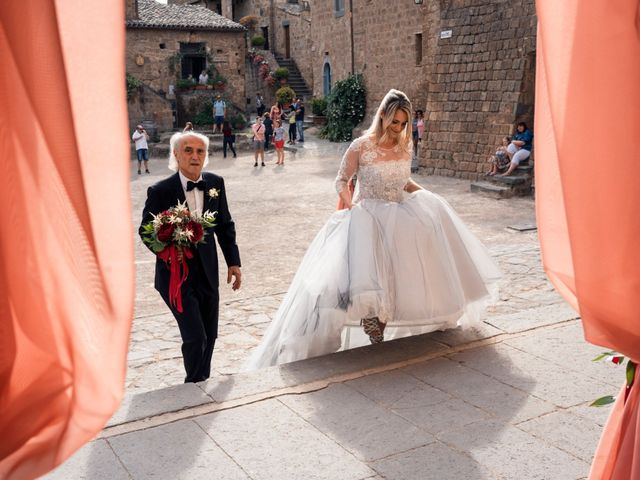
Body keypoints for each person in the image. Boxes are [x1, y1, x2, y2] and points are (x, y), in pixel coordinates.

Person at [246, 89, 501, 369]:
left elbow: (404, 182)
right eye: (395, 122)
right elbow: (342, 180)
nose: (399, 128)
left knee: (407, 267)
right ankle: (371, 321)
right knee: (360, 280)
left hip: (401, 214)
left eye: (404, 124)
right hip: (368, 215)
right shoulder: (361, 146)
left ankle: (387, 321)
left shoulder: (405, 146)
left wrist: (429, 197)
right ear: (383, 117)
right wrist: (349, 206)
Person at [139, 131, 242, 382]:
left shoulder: (216, 183)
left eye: (200, 151)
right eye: (188, 150)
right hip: (175, 277)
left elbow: (224, 224)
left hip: (208, 273)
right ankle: (193, 387)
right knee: (196, 336)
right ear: (176, 154)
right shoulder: (160, 190)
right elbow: (145, 230)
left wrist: (233, 262)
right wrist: (168, 252)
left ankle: (200, 382)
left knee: (211, 335)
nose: (195, 156)